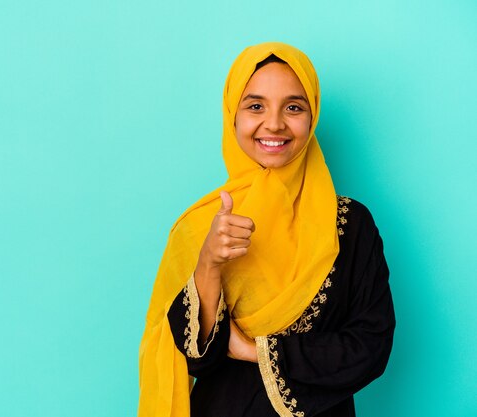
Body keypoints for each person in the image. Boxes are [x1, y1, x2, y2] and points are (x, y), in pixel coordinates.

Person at [138, 42, 395, 417]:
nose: (274, 124)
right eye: (255, 106)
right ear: (233, 115)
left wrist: (254, 350)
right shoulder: (202, 227)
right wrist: (209, 263)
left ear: (312, 116)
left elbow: (370, 347)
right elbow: (195, 360)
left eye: (293, 107)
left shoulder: (351, 224)